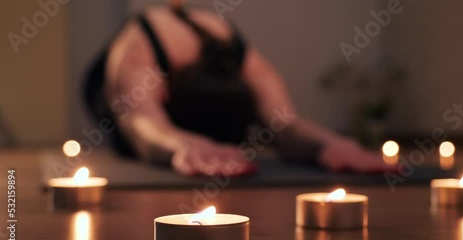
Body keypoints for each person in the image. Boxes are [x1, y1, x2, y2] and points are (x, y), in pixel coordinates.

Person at [85, 0, 392, 176]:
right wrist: (181, 145)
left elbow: (284, 124)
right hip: (123, 113)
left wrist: (328, 143)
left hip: (222, 147)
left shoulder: (234, 47)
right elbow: (141, 122)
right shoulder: (141, 42)